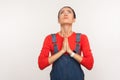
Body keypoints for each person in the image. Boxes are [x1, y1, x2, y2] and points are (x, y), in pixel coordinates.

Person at [38, 6, 94, 80]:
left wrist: (71, 52)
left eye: (69, 12)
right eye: (62, 12)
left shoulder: (82, 38)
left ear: (74, 19)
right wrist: (62, 51)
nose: (65, 13)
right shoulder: (49, 39)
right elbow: (41, 64)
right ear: (58, 20)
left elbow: (89, 64)